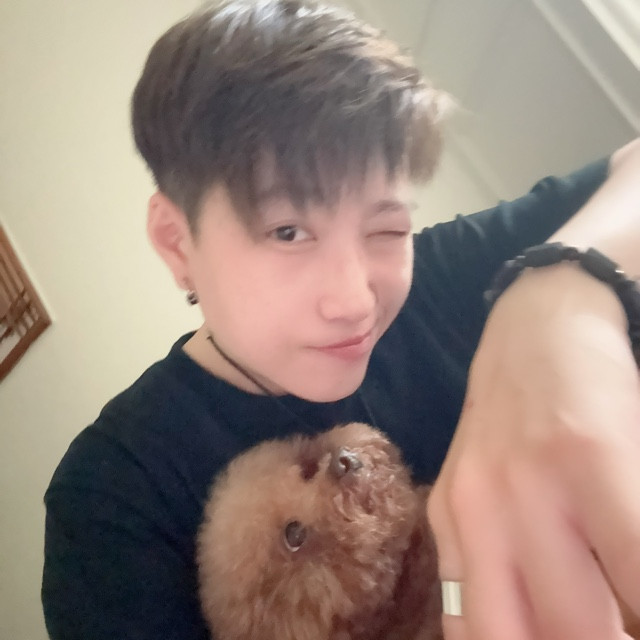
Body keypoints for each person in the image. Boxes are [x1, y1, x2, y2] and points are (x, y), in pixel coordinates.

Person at [41, 1, 640, 639]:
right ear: (176, 241)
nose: (356, 301)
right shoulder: (116, 495)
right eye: (289, 231)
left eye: (387, 228)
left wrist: (559, 299)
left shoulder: (436, 281)